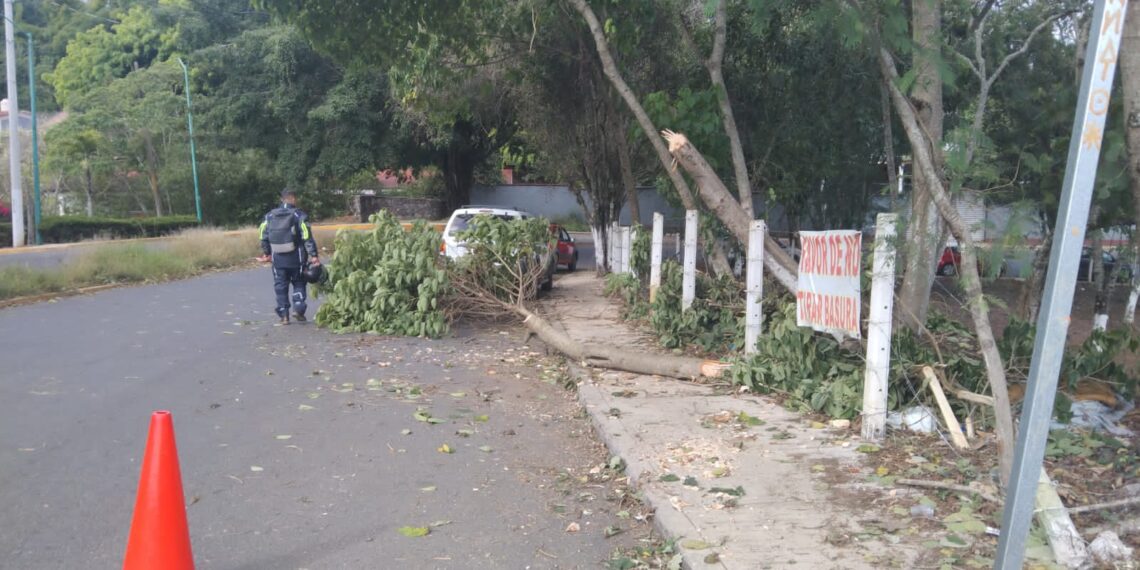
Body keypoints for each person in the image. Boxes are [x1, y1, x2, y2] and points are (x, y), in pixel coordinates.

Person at [257, 189, 319, 324]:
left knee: (280, 285)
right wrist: (314, 255)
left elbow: (262, 235)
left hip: (278, 258)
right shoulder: (299, 215)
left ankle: (284, 315)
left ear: (282, 199)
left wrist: (267, 253)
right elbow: (307, 236)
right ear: (294, 199)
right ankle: (298, 308)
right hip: (296, 258)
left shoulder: (269, 216)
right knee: (299, 282)